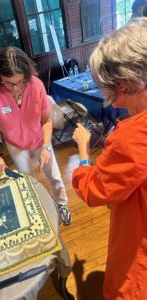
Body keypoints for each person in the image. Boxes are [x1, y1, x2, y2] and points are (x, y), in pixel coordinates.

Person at [72, 18, 147, 299]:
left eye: (107, 87)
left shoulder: (130, 139)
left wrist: (82, 151)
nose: (105, 95)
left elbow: (94, 190)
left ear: (127, 84)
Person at [0, 46, 72, 225]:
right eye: (9, 83)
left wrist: (46, 145)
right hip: (15, 145)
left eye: (20, 81)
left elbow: (46, 120)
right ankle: (39, 208)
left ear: (26, 75)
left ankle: (62, 204)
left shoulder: (35, 84)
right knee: (28, 180)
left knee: (54, 176)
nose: (15, 88)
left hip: (39, 140)